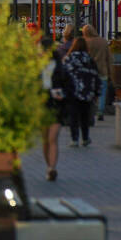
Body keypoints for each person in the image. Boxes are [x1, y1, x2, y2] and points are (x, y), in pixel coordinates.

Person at [61, 36, 100, 147]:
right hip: (87, 92)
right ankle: (85, 138)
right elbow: (95, 75)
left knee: (73, 116)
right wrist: (96, 91)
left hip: (72, 91)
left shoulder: (69, 58)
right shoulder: (89, 59)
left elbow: (63, 74)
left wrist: (63, 89)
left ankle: (74, 139)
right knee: (85, 116)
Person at [40, 37, 66, 181]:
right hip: (42, 103)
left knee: (52, 138)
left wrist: (62, 93)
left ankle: (52, 168)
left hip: (56, 104)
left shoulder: (59, 65)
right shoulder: (37, 66)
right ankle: (48, 166)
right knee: (45, 139)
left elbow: (67, 84)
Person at [81, 24, 113, 121]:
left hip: (88, 71)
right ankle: (100, 111)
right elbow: (109, 58)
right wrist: (110, 72)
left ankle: (89, 111)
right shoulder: (103, 42)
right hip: (102, 70)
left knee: (89, 91)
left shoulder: (84, 42)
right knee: (102, 93)